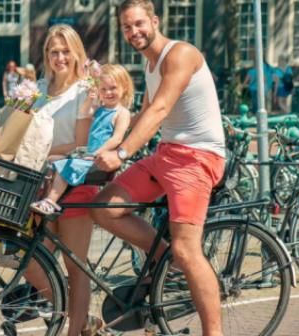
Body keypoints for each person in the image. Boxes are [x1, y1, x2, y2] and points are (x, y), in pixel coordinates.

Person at [91, 1, 226, 335]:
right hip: (166, 155)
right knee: (104, 208)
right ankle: (166, 262)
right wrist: (100, 148)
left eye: (138, 24)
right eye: (126, 27)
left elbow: (160, 110)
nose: (133, 32)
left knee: (187, 249)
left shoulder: (180, 55)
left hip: (197, 158)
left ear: (154, 20)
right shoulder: (150, 65)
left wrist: (121, 154)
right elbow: (141, 115)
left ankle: (214, 332)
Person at [20, 24, 100, 336]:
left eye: (66, 51)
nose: (59, 57)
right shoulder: (38, 90)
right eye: (53, 52)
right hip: (40, 184)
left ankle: (75, 328)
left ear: (77, 53)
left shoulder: (84, 91)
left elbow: (81, 144)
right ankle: (79, 317)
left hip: (75, 183)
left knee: (74, 266)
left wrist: (40, 152)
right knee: (27, 260)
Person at [30, 64, 132, 215]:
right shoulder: (100, 109)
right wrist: (89, 99)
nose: (108, 93)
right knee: (52, 160)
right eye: (103, 89)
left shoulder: (121, 113)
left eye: (113, 88)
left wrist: (97, 153)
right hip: (87, 154)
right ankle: (48, 194)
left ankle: (51, 202)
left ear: (124, 87)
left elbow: (117, 139)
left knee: (64, 165)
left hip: (98, 159)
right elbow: (85, 112)